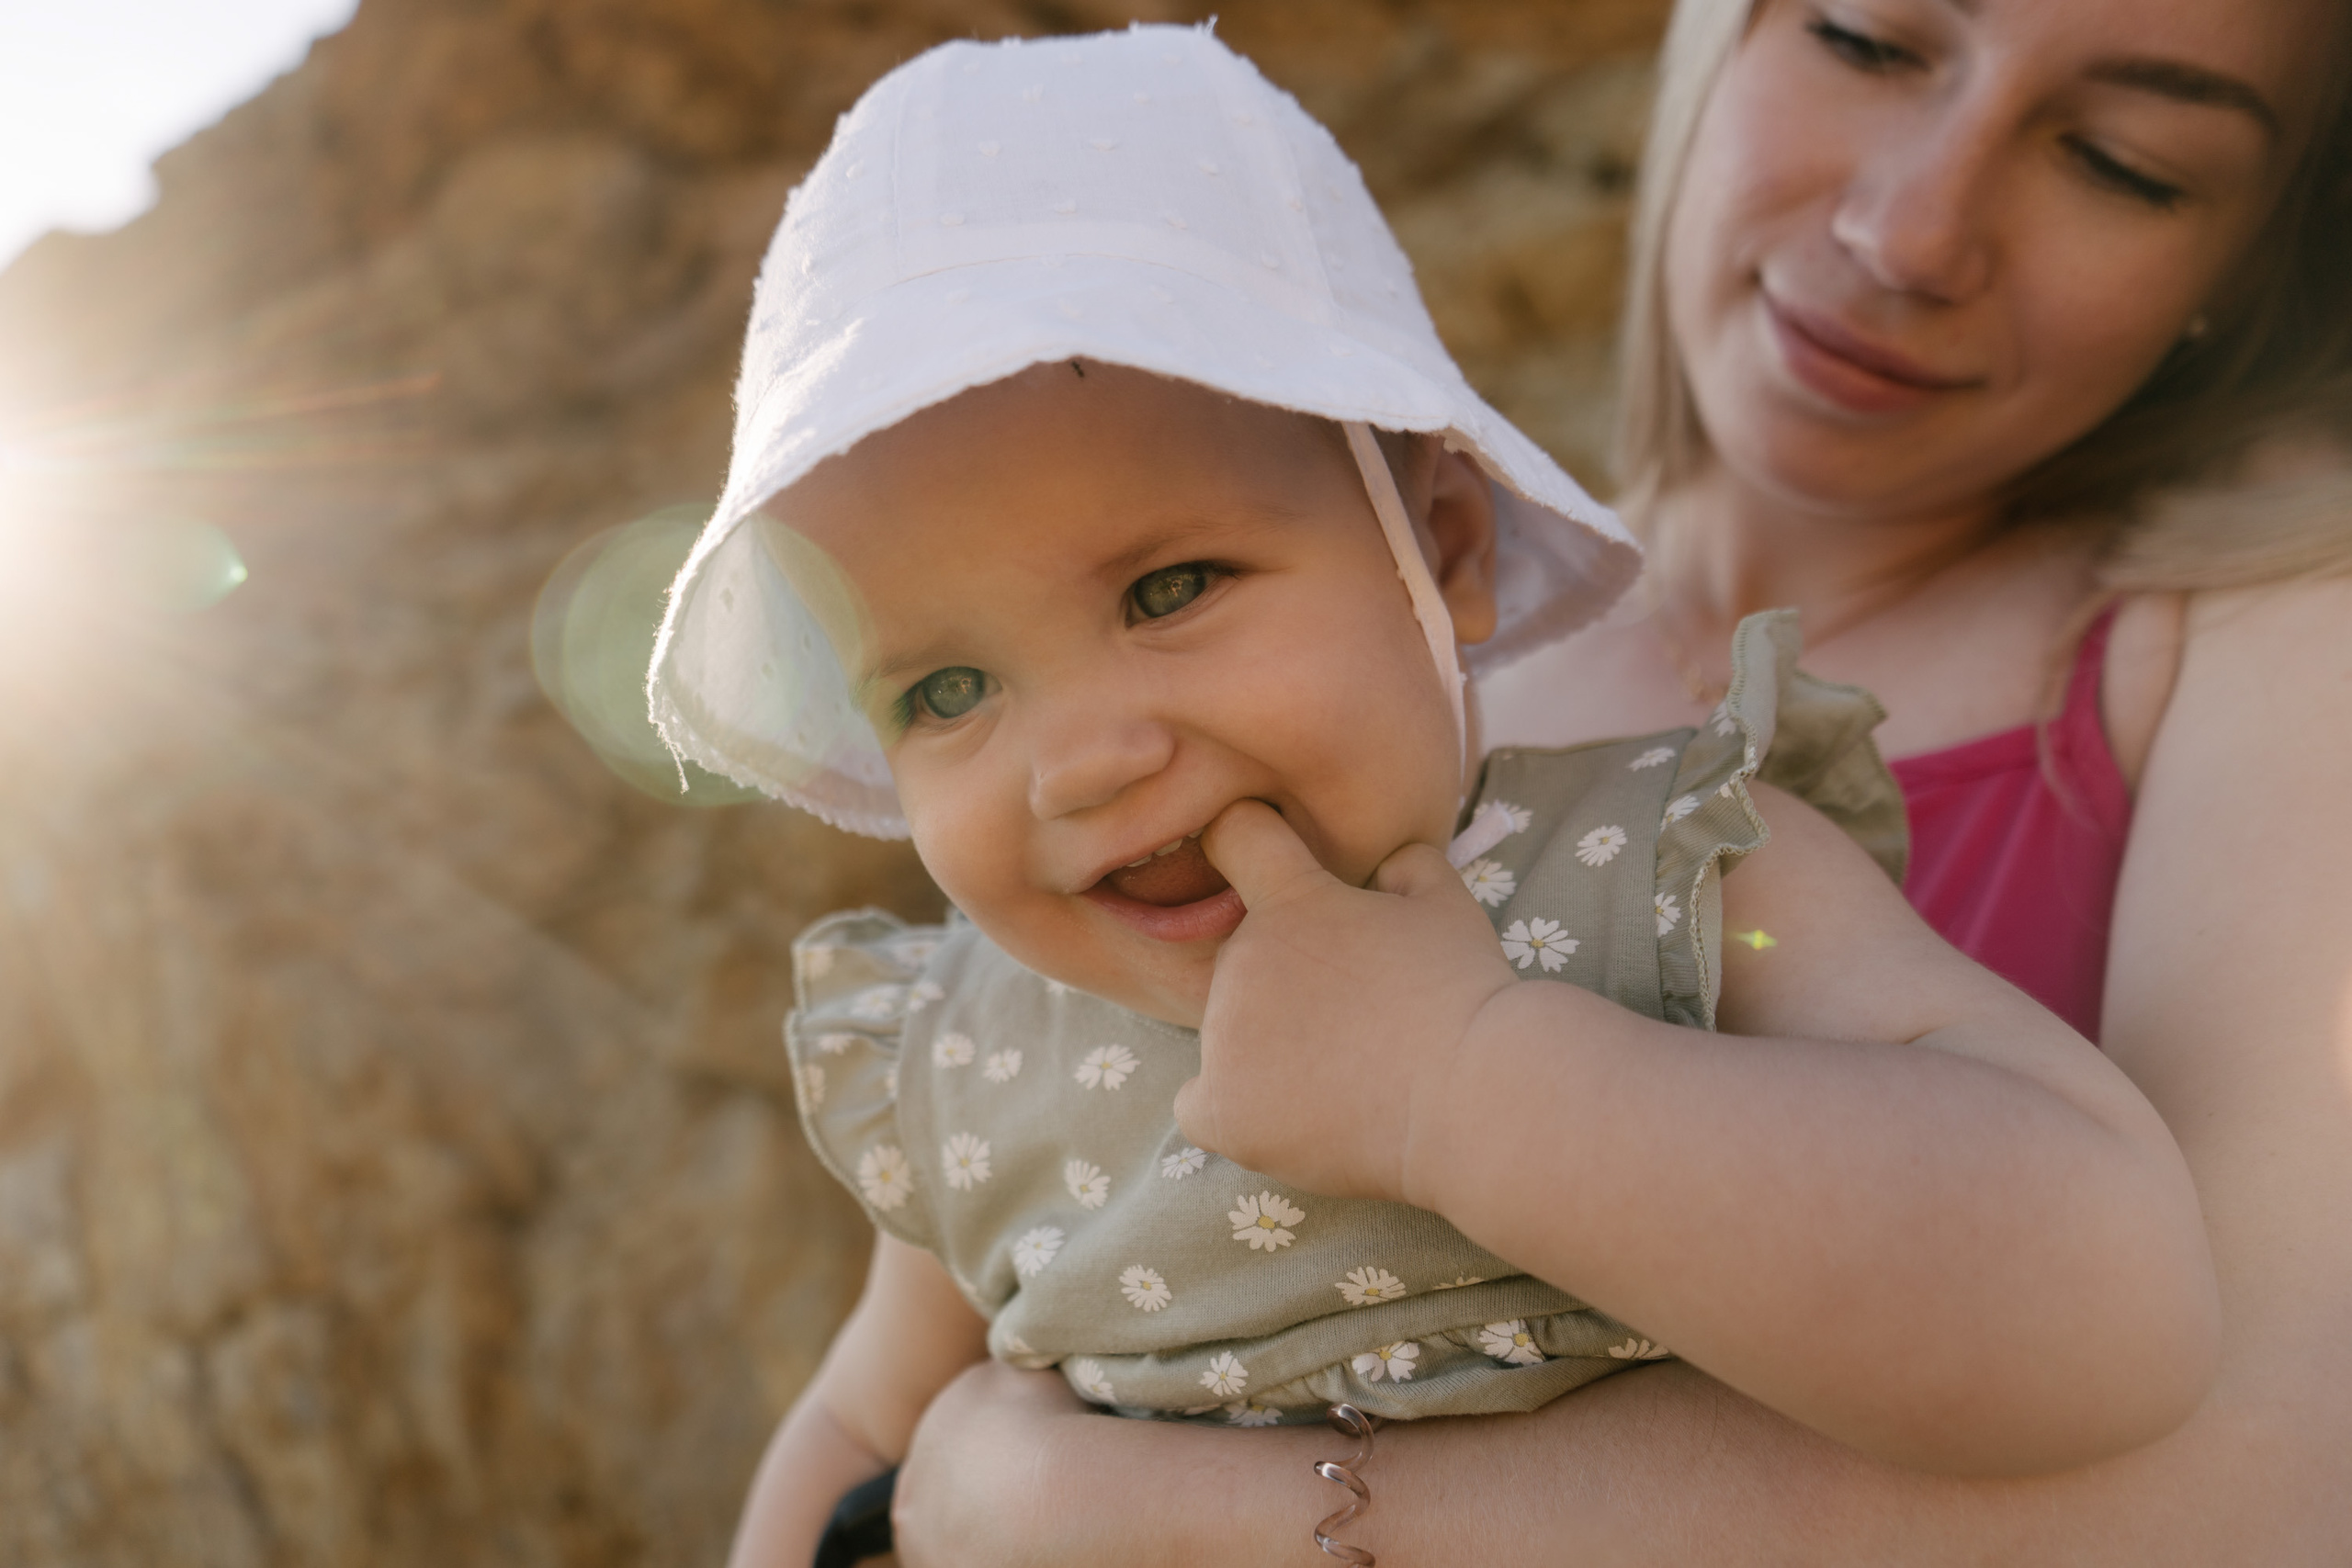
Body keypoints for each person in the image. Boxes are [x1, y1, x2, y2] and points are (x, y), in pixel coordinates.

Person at [641, 25, 2223, 1568]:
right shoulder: (970, 1051)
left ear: (1446, 551)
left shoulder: (1669, 882)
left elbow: (2114, 1318)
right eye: (945, 693)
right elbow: (868, 1430)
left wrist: (1469, 1084)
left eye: (1171, 586)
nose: (1080, 760)